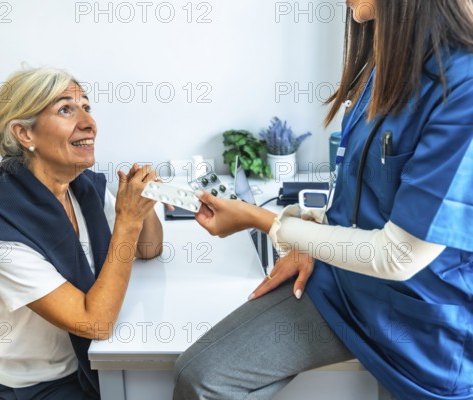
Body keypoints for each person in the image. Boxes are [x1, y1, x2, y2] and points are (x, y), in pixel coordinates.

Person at [173, 1, 473, 399]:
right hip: (344, 289)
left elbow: (398, 256)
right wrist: (314, 234)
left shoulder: (463, 88)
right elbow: (360, 196)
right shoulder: (383, 66)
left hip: (423, 328)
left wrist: (266, 222)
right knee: (201, 374)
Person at [0, 67, 164, 399]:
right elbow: (95, 322)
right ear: (25, 134)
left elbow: (148, 248)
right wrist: (127, 221)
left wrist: (145, 206)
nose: (88, 123)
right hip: (26, 387)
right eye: (66, 109)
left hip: (86, 363)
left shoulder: (81, 187)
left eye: (87, 107)